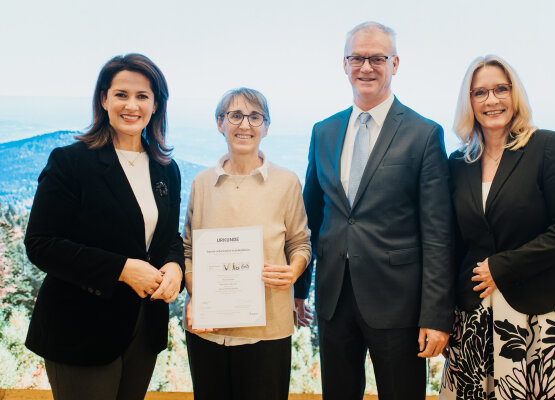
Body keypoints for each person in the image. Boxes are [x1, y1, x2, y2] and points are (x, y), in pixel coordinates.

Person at [297, 21, 454, 400]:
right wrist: (300, 289)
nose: (366, 67)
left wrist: (435, 315)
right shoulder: (324, 130)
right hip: (334, 298)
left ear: (395, 63)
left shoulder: (424, 133)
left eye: (377, 58)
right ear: (345, 64)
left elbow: (438, 233)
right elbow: (311, 216)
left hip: (397, 303)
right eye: (357, 58)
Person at [24, 53, 184, 400]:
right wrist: (121, 269)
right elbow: (41, 243)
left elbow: (169, 237)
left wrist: (175, 265)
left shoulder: (166, 169)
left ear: (156, 104)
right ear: (104, 99)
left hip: (144, 329)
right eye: (121, 94)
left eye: (143, 96)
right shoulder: (71, 162)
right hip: (80, 328)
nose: (132, 105)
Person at [439, 54, 555, 399]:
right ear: (468, 102)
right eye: (480, 92)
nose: (492, 100)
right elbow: (451, 244)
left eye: (501, 89)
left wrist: (502, 267)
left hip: (548, 316)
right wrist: (443, 315)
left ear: (515, 95)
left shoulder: (546, 146)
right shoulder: (457, 163)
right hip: (475, 318)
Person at [182, 87, 311, 400]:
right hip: (207, 329)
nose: (245, 125)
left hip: (268, 330)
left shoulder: (287, 181)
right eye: (235, 115)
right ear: (220, 123)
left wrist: (293, 271)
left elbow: (300, 243)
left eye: (255, 117)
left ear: (266, 128)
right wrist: (196, 295)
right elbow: (188, 250)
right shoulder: (201, 183)